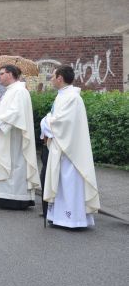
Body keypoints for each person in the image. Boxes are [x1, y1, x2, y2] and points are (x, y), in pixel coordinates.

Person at [41, 66, 100, 228]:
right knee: (61, 183)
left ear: (60, 78)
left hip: (70, 151)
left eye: (53, 76)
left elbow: (62, 122)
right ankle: (59, 217)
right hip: (61, 147)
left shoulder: (72, 98)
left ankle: (73, 219)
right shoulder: (63, 95)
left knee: (69, 182)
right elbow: (56, 118)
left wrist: (45, 122)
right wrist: (48, 120)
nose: (51, 79)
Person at [0, 65, 40, 210]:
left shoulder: (20, 91)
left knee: (14, 165)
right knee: (6, 165)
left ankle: (16, 199)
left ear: (10, 74)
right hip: (4, 136)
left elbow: (15, 113)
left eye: (1, 74)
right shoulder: (9, 92)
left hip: (14, 139)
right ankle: (3, 197)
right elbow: (1, 111)